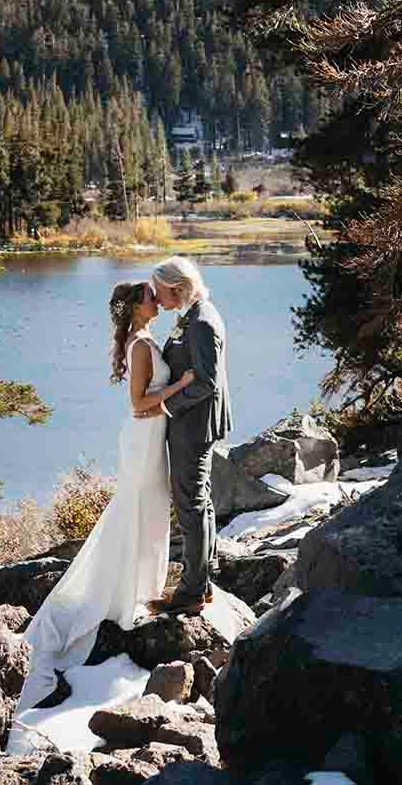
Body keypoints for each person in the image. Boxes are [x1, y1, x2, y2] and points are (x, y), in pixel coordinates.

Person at [17, 280, 193, 688]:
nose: (157, 301)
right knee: (135, 513)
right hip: (143, 438)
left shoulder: (146, 338)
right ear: (136, 306)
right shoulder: (140, 345)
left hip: (151, 436)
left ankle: (142, 588)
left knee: (148, 512)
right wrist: (182, 385)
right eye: (151, 296)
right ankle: (123, 595)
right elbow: (138, 403)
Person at [147, 255, 229, 615]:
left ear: (177, 288)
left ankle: (192, 592)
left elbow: (207, 383)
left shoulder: (202, 323)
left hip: (193, 426)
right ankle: (204, 579)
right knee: (201, 501)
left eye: (159, 290)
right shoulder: (194, 316)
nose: (156, 296)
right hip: (194, 424)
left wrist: (167, 406)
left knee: (190, 505)